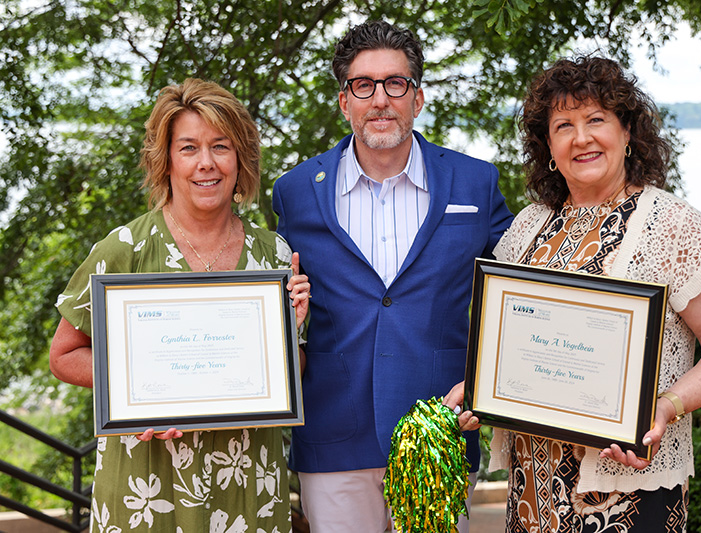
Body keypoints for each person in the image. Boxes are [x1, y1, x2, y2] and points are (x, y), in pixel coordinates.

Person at [449, 55, 701, 532]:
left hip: (631, 492)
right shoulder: (527, 226)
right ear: (548, 146)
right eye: (564, 125)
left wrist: (666, 406)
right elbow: (507, 343)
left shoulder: (673, 225)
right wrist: (479, 388)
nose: (582, 137)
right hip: (533, 494)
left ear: (627, 132)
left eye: (596, 119)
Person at [272, 20, 514, 532]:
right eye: (364, 85)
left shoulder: (475, 180)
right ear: (344, 101)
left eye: (395, 84)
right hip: (334, 434)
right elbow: (271, 308)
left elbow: (523, 293)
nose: (380, 99)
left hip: (441, 430)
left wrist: (488, 383)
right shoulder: (294, 192)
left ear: (418, 97)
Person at [49, 78, 310, 532]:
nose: (206, 163)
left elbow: (297, 368)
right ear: (166, 159)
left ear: (240, 158)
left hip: (248, 480)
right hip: (147, 484)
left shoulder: (275, 255)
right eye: (189, 147)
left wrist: (287, 337)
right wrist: (141, 396)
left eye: (221, 146)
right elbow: (64, 356)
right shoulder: (124, 249)